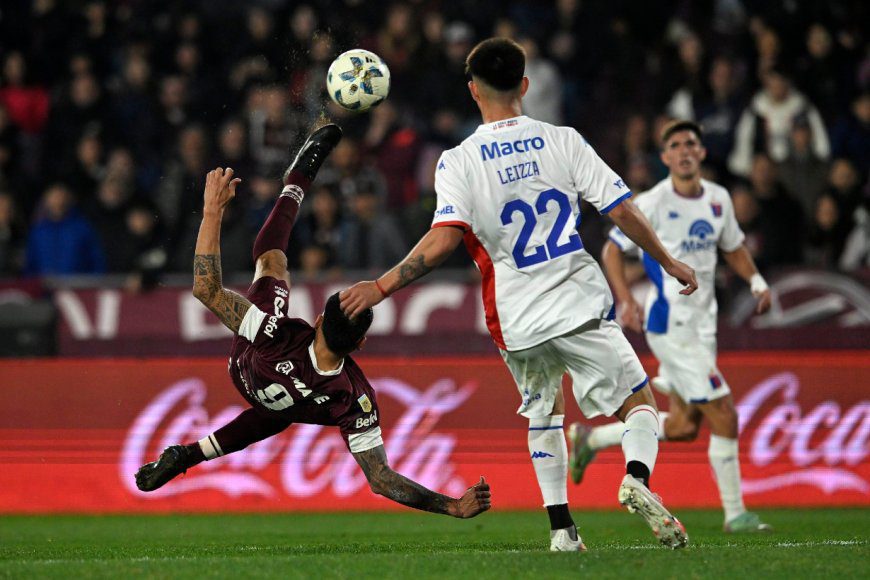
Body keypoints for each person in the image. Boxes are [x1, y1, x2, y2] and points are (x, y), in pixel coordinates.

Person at [340, 38, 697, 551]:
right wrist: (667, 260)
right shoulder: (563, 140)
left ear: (472, 91)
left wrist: (379, 287)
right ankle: (637, 479)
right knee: (639, 405)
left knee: (543, 413)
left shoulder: (458, 160)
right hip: (576, 304)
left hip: (516, 320)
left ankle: (562, 532)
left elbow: (443, 240)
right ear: (525, 86)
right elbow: (620, 210)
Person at [135, 125, 492, 520]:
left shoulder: (276, 330)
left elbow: (206, 289)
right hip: (284, 398)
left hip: (248, 363)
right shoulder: (353, 396)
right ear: (360, 346)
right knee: (282, 411)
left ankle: (297, 182)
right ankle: (189, 454)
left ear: (318, 319)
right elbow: (381, 478)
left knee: (272, 260)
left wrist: (212, 211)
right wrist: (452, 505)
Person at [569, 120, 773, 534]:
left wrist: (755, 280)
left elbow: (732, 247)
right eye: (675, 145)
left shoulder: (717, 199)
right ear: (665, 158)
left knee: (683, 426)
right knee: (725, 414)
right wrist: (625, 300)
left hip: (704, 325)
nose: (683, 150)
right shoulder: (654, 201)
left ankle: (592, 440)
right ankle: (736, 514)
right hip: (671, 325)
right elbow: (611, 248)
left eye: (690, 144)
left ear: (700, 153)